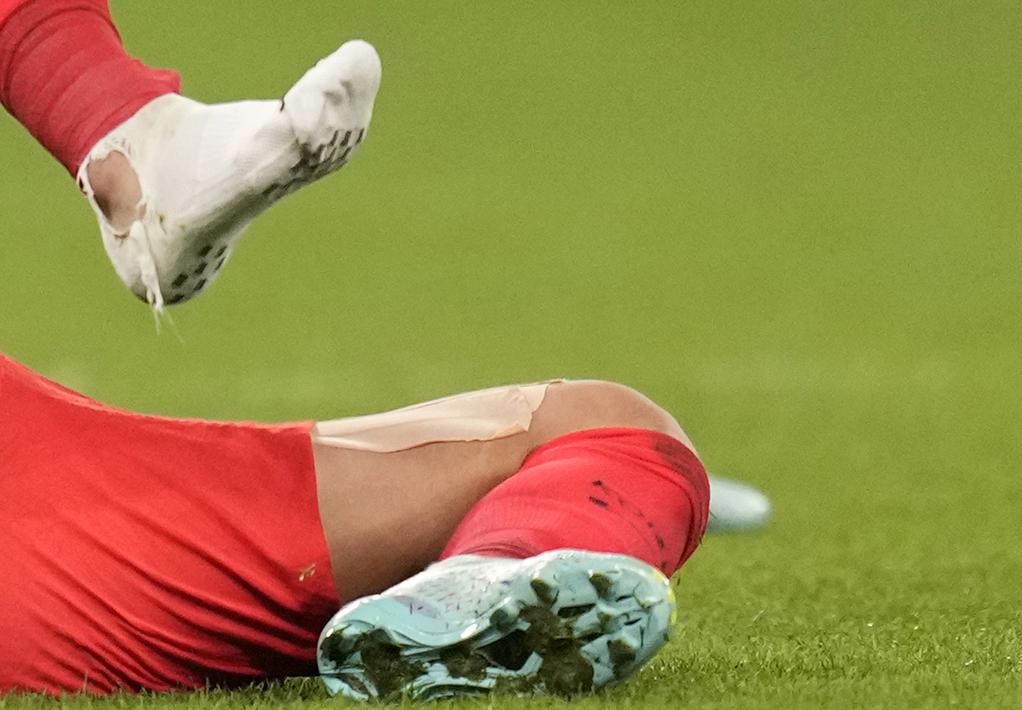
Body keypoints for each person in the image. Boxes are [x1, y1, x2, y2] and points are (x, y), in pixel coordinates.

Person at [0, 0, 763, 699]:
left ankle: (478, 586)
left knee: (603, 426)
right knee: (613, 430)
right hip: (46, 515)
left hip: (40, 484)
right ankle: (131, 152)